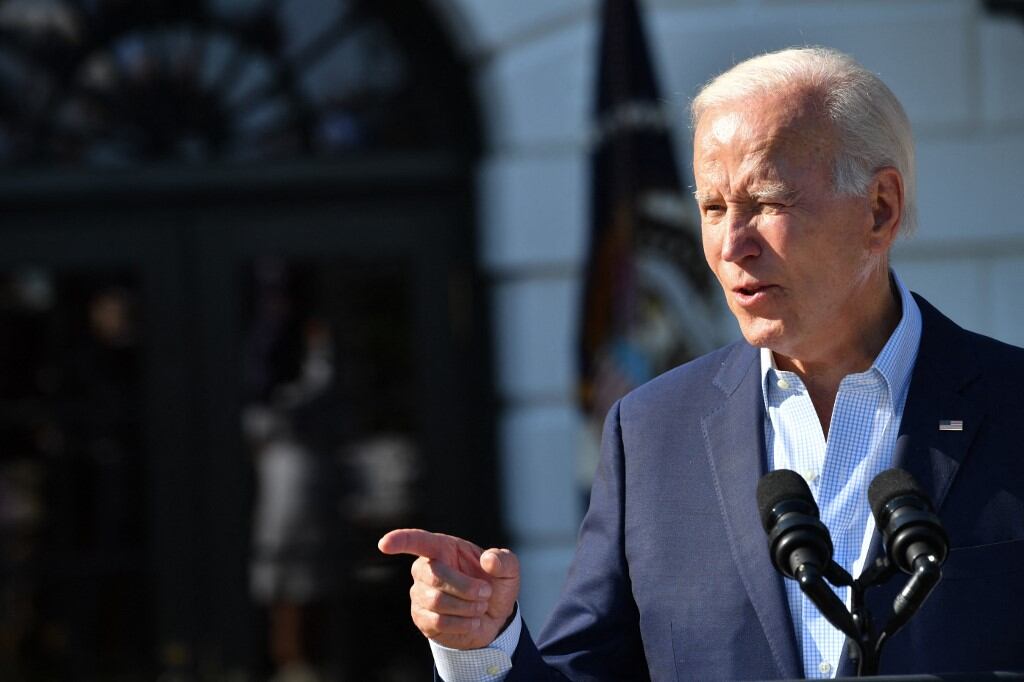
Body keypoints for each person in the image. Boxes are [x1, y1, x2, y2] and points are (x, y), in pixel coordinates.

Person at [379, 46, 1024, 680]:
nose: (731, 245)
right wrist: (482, 645)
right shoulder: (652, 433)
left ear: (879, 209)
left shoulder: (1010, 406)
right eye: (714, 208)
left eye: (768, 203)